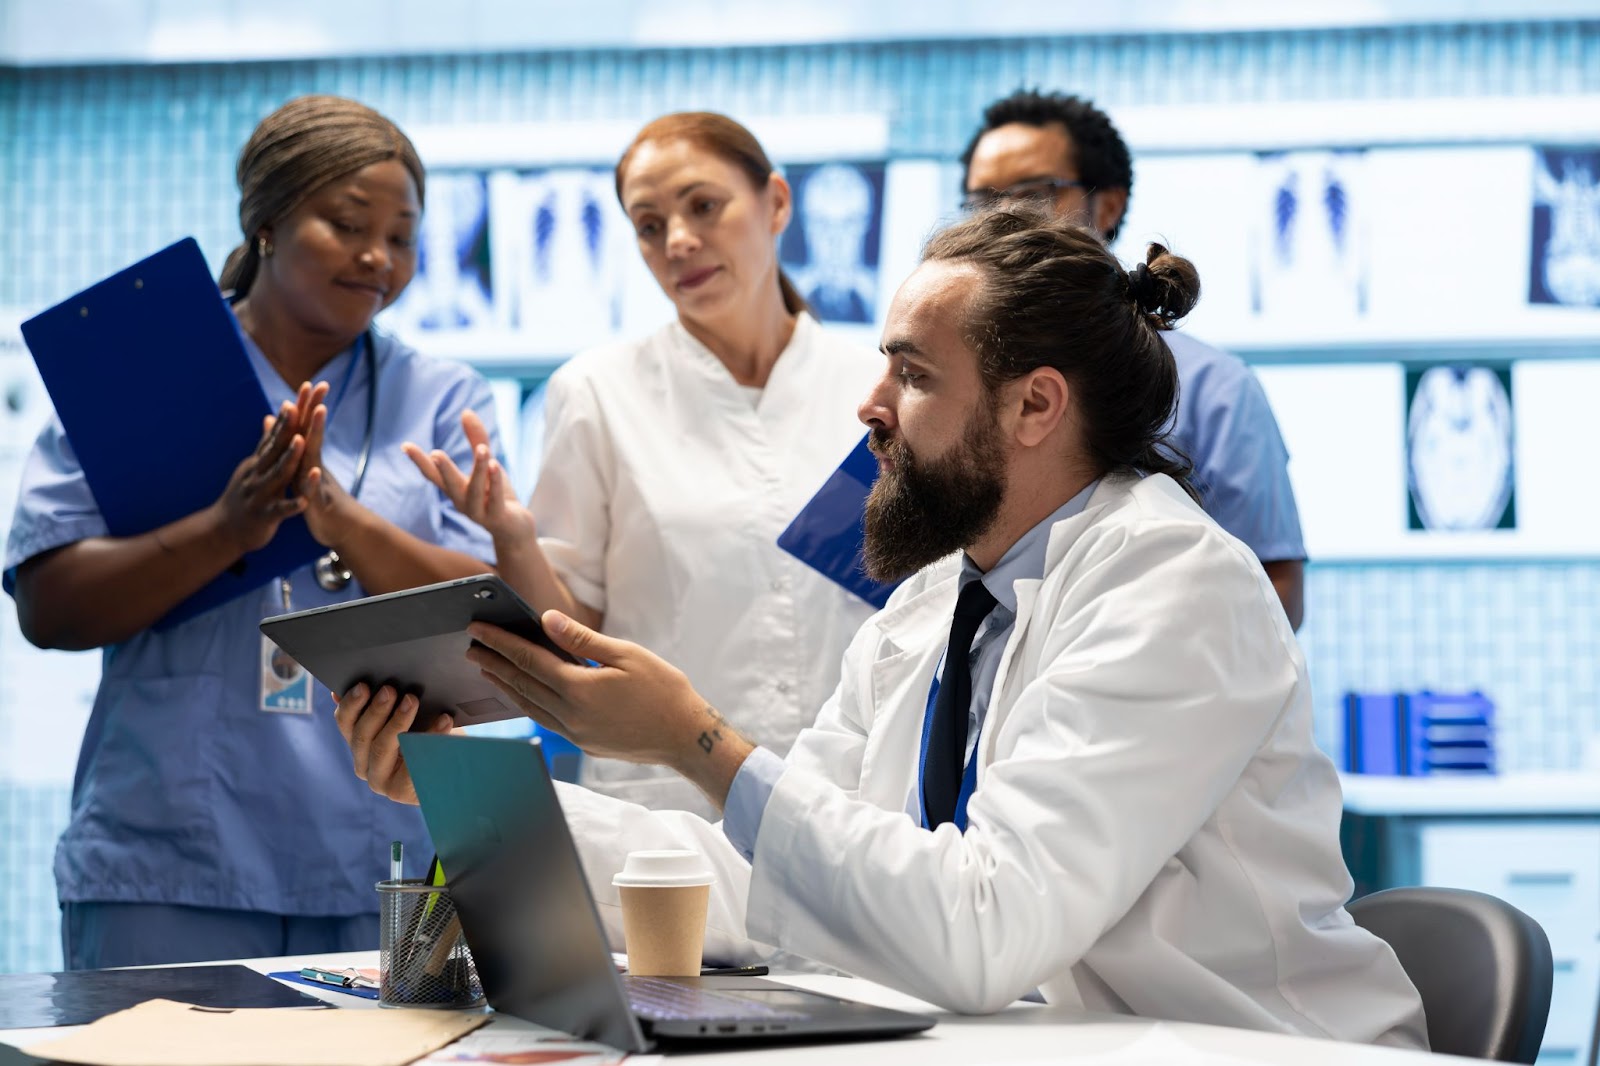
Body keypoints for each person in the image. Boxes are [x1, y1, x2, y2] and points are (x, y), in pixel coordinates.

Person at [338, 208, 1427, 1046]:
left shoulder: (1173, 581)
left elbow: (986, 934)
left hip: (1252, 1051)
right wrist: (464, 793)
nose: (869, 407)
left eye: (909, 372)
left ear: (1034, 405)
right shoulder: (938, 595)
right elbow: (774, 885)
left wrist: (694, 739)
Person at [4, 95, 506, 968]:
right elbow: (49, 608)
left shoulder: (443, 397)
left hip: (403, 860)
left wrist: (334, 517)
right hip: (164, 865)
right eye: (347, 224)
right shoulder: (140, 368)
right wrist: (229, 528)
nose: (376, 258)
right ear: (266, 223)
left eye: (401, 235)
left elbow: (488, 616)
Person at [405, 113, 881, 816]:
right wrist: (513, 538)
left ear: (776, 203)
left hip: (856, 801)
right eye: (649, 225)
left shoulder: (875, 385)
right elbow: (570, 636)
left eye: (704, 206)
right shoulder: (598, 392)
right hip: (672, 809)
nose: (679, 241)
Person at [960, 89, 1308, 629]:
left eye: (1034, 194)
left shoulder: (1214, 389)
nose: (1004, 219)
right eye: (982, 202)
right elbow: (851, 554)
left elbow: (1275, 590)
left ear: (1110, 205)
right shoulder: (940, 372)